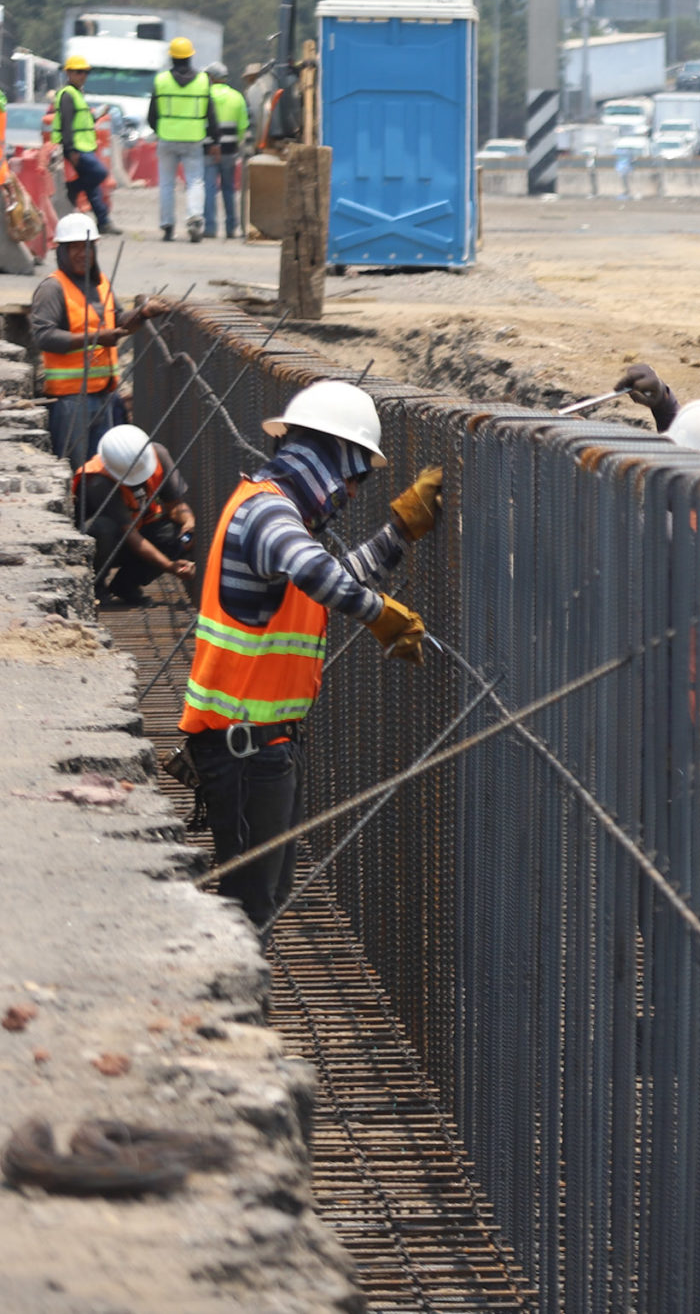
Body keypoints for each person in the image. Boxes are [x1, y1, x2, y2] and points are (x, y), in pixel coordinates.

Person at [178, 381, 442, 931]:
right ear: (326, 457)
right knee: (249, 914)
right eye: (350, 474)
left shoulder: (275, 513)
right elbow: (317, 573)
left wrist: (398, 532)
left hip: (260, 749)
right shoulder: (267, 513)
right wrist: (381, 615)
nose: (348, 491)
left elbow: (324, 578)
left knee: (260, 904)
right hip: (245, 753)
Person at [31, 212, 163, 465]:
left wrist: (143, 314)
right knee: (74, 470)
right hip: (71, 401)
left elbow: (117, 321)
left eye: (88, 248)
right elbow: (43, 336)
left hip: (104, 395)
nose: (83, 254)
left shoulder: (101, 283)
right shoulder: (52, 289)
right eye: (75, 248)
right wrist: (96, 338)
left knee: (102, 470)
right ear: (62, 251)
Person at [73, 422, 196, 605]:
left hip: (136, 532)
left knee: (173, 532)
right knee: (103, 528)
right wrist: (170, 567)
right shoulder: (97, 479)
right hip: (105, 545)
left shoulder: (158, 455)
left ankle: (125, 585)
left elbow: (176, 506)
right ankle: (95, 586)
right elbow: (131, 536)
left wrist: (188, 522)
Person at [150, 36, 215, 242]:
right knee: (195, 181)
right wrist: (214, 138)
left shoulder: (161, 80)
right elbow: (211, 114)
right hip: (194, 138)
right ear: (190, 57)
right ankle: (195, 218)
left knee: (167, 183)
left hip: (167, 137)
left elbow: (152, 115)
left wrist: (160, 129)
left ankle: (167, 225)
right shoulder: (203, 80)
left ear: (172, 58)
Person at [47, 55, 117, 234]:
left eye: (85, 72)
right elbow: (67, 124)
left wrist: (98, 114)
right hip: (76, 148)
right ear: (68, 73)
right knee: (99, 173)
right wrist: (70, 150)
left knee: (93, 188)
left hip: (85, 146)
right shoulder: (67, 95)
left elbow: (83, 120)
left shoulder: (78, 94)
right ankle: (74, 189)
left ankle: (103, 222)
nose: (83, 76)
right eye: (78, 72)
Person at [204, 62, 250, 239]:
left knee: (209, 187)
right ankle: (231, 228)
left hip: (209, 148)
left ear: (211, 78)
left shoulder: (206, 95)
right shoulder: (236, 97)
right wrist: (236, 143)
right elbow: (243, 126)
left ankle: (209, 227)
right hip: (230, 150)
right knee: (229, 189)